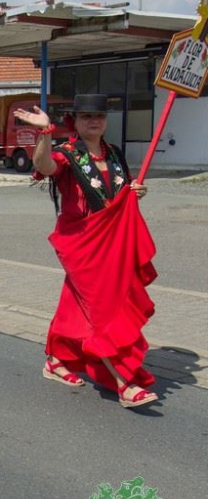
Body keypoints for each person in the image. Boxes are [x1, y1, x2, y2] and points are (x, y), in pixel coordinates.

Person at [14, 94, 158, 408]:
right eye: (87, 116)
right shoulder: (67, 154)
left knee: (77, 304)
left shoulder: (115, 154)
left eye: (100, 116)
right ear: (75, 121)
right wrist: (45, 132)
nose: (94, 121)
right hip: (80, 243)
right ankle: (125, 382)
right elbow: (44, 165)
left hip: (112, 242)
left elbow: (118, 195)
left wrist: (136, 193)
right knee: (103, 309)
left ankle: (56, 360)